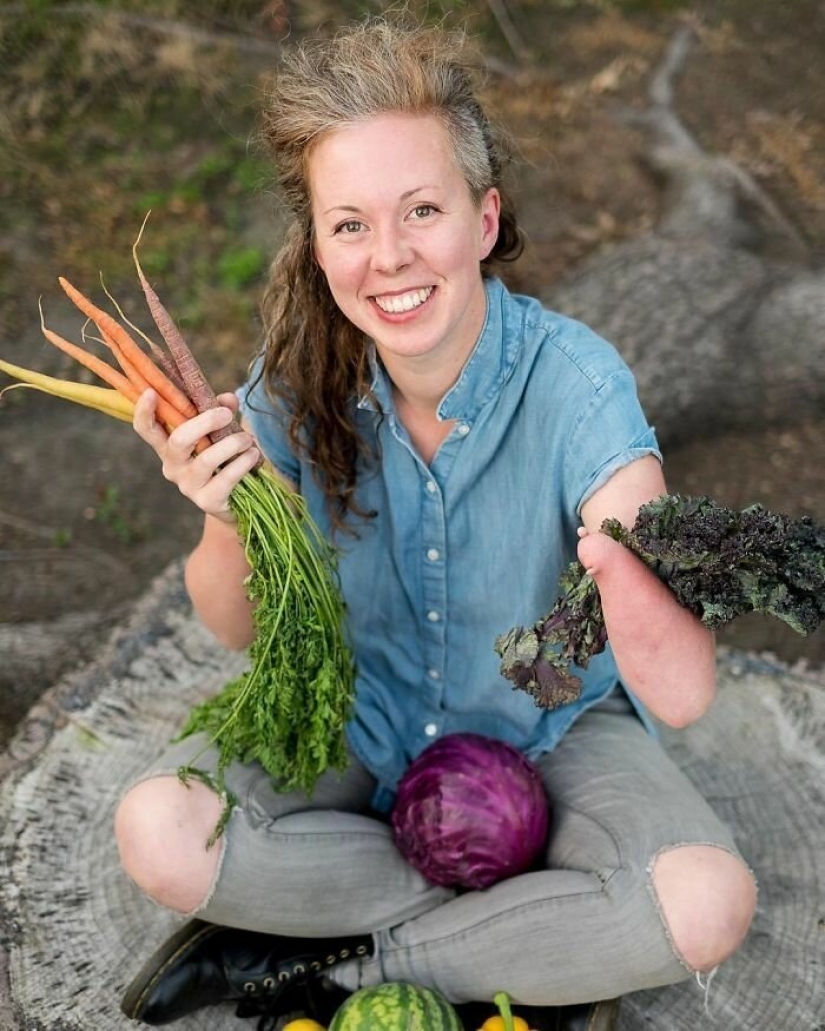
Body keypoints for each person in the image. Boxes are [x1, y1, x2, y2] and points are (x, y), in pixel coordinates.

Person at [113, 16, 757, 1031]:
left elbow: (679, 695)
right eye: (352, 224)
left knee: (707, 900)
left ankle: (330, 960)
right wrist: (220, 511)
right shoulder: (291, 386)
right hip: (357, 721)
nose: (390, 257)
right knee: (159, 827)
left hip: (554, 740)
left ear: (485, 217)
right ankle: (531, 940)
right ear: (319, 242)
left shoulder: (579, 386)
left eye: (423, 209)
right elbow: (236, 628)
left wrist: (624, 564)